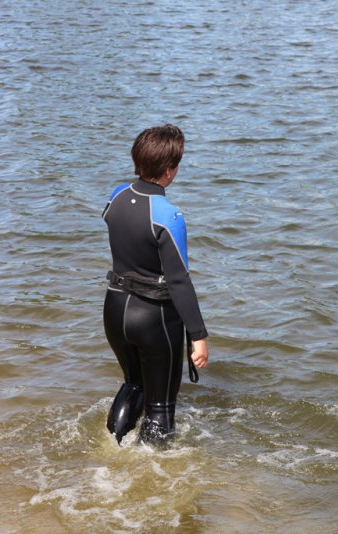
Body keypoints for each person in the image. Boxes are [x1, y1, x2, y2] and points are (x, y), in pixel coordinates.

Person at [102, 124, 209, 446]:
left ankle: (111, 449)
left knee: (133, 383)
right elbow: (178, 281)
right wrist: (198, 336)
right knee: (160, 405)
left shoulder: (117, 195)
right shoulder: (169, 215)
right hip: (153, 316)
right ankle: (155, 472)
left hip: (115, 307)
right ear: (170, 170)